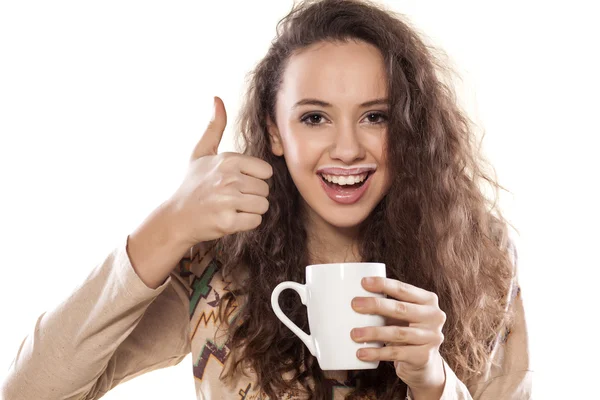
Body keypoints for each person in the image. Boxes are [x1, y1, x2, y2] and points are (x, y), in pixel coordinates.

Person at [1, 0, 531, 399]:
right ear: (275, 134)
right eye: (314, 117)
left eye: (376, 116)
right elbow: (28, 391)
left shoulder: (474, 250)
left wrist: (435, 382)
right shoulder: (220, 262)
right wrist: (168, 225)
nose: (347, 148)